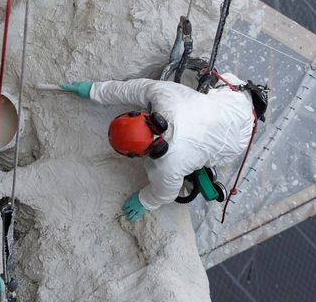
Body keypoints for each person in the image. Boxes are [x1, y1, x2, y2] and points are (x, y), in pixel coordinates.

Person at [60, 74, 264, 222]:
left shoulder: (168, 165)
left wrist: (145, 201)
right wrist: (95, 90)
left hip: (236, 141)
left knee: (206, 155)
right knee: (220, 83)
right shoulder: (166, 97)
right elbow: (133, 89)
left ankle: (204, 165)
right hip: (238, 97)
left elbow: (166, 193)